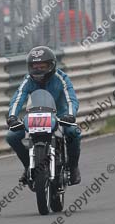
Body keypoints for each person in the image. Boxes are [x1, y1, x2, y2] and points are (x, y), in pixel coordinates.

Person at [5, 46, 82, 186]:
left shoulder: (62, 78)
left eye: (42, 66)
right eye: (35, 66)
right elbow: (18, 97)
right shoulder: (28, 80)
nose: (38, 69)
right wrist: (12, 117)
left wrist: (71, 115)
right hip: (35, 114)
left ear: (51, 65)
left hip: (60, 116)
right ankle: (28, 166)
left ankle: (73, 167)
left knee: (74, 132)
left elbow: (71, 98)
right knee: (11, 136)